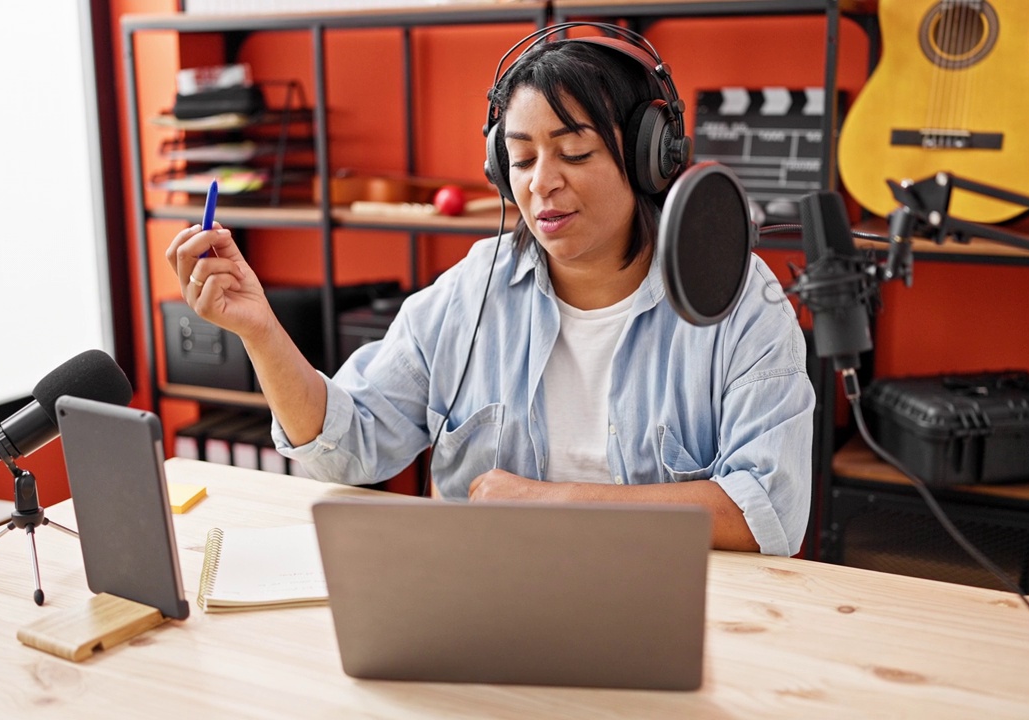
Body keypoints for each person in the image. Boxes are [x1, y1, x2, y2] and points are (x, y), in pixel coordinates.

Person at [166, 24, 815, 556]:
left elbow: (768, 512)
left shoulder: (736, 297)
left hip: (674, 610)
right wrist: (259, 327)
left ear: (652, 156)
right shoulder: (472, 291)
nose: (541, 184)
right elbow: (349, 445)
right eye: (523, 158)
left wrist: (548, 504)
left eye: (575, 153)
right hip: (485, 606)